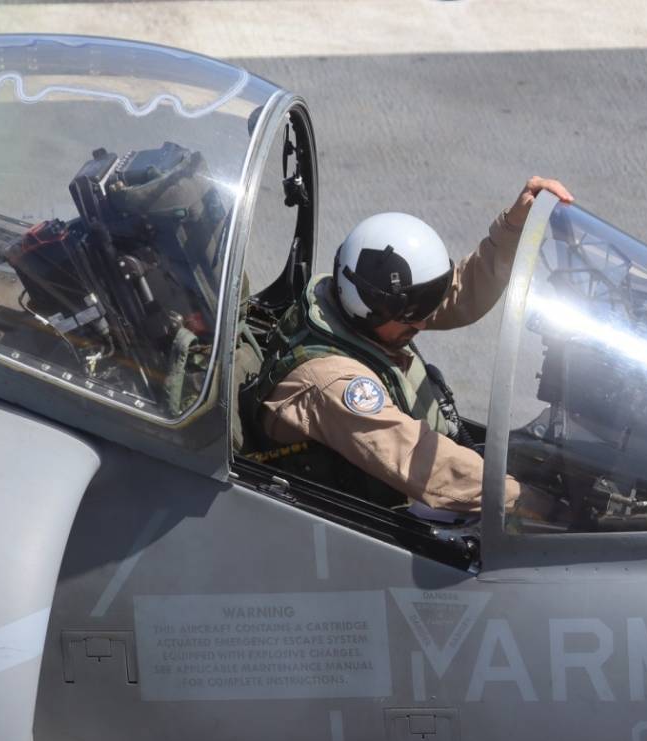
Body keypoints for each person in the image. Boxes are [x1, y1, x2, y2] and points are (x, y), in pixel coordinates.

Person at [243, 177, 573, 518]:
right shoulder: (332, 385)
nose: (424, 324)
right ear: (372, 310)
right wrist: (534, 505)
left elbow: (457, 295)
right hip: (362, 526)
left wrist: (512, 227)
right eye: (413, 317)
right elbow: (424, 464)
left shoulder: (361, 305)